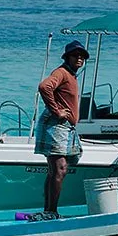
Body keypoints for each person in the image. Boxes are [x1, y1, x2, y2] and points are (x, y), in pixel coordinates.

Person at [32, 40, 89, 219]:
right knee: (60, 168)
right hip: (56, 124)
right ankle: (51, 211)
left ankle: (49, 210)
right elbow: (44, 86)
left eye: (82, 56)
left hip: (64, 127)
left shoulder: (71, 75)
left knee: (55, 170)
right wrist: (57, 110)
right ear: (67, 57)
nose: (79, 58)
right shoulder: (62, 72)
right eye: (75, 55)